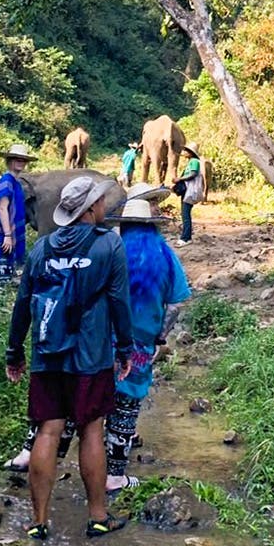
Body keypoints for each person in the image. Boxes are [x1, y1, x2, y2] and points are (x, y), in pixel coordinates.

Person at [2, 181, 175, 475]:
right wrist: (149, 339)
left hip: (73, 345)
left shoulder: (82, 245)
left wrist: (14, 349)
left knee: (58, 418)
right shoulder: (153, 254)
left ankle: (34, 461)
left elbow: (30, 301)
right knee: (114, 415)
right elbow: (168, 304)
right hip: (122, 347)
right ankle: (113, 479)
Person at [6, 176, 134, 540]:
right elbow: (119, 303)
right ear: (91, 208)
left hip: (47, 353)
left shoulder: (42, 248)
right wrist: (125, 348)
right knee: (92, 429)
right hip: (90, 357)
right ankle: (97, 516)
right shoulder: (108, 244)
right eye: (100, 203)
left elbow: (23, 305)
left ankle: (38, 521)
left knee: (48, 430)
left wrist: (14, 351)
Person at [104, 198, 191, 493]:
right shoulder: (165, 255)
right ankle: (114, 474)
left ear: (123, 224)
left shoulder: (110, 250)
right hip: (140, 346)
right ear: (153, 226)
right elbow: (177, 303)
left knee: (95, 400)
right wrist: (159, 337)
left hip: (103, 340)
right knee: (127, 407)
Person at [0, 143, 37, 285]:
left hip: (9, 232)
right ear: (9, 161)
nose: (21, 162)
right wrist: (7, 235)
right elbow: (3, 209)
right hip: (3, 233)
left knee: (6, 276)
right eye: (16, 159)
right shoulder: (6, 181)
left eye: (23, 160)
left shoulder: (16, 182)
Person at [174, 142, 203, 247]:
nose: (184, 152)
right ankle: (187, 236)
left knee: (185, 214)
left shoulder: (194, 161)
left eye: (186, 150)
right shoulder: (191, 161)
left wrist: (180, 179)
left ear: (191, 153)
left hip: (190, 191)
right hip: (187, 190)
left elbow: (193, 174)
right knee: (184, 214)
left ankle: (185, 238)